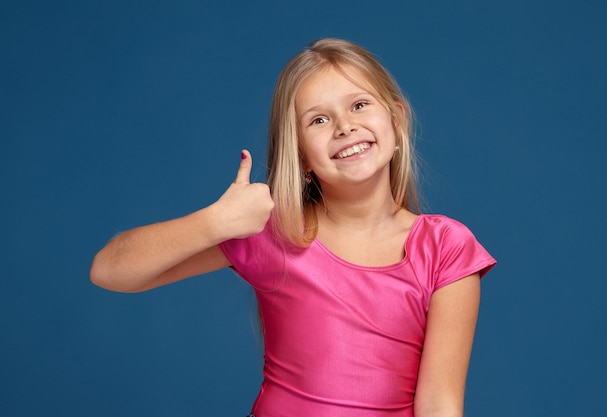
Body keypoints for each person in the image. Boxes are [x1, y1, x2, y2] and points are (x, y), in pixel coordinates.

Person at [91, 38, 496, 417]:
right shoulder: (272, 231)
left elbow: (440, 402)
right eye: (319, 119)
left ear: (396, 120)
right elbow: (109, 271)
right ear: (301, 156)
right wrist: (214, 222)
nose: (344, 126)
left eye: (359, 105)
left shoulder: (445, 248)